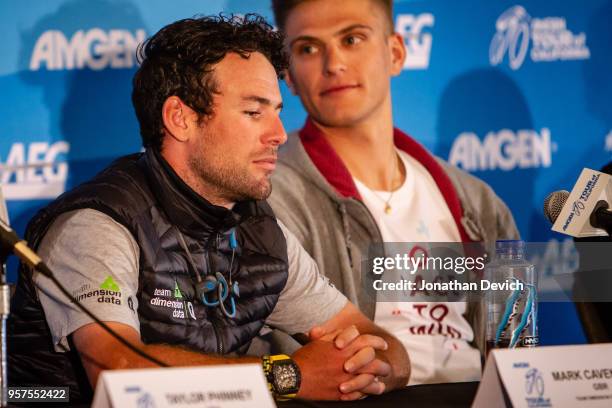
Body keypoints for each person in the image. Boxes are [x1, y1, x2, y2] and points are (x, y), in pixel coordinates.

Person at [8, 15, 409, 404]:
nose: (278, 135)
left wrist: (367, 365)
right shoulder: (96, 225)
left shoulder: (259, 230)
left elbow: (382, 345)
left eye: (277, 112)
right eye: (254, 112)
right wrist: (287, 376)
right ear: (180, 118)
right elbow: (119, 370)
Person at [269, 0, 519, 384]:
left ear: (396, 53)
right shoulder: (270, 198)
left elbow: (519, 353)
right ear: (288, 75)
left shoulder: (478, 200)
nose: (333, 63)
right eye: (308, 48)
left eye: (351, 39)